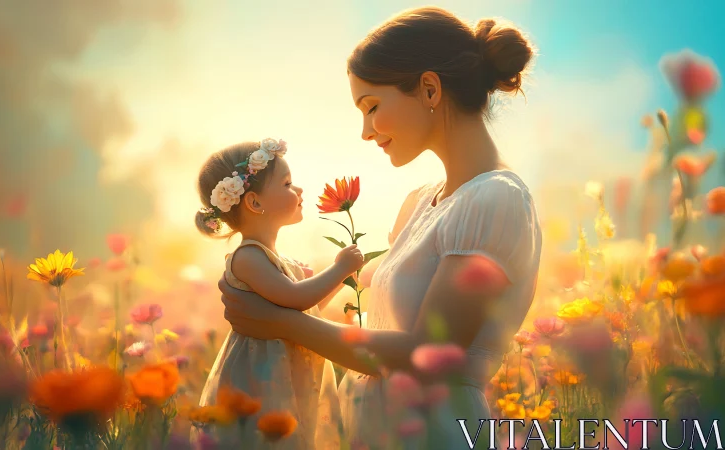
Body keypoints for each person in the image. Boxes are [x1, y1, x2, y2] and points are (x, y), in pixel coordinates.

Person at [217, 7, 542, 449]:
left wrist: (279, 322)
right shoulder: (421, 201)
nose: (366, 132)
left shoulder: (496, 199)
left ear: (429, 89)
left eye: (371, 107)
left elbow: (428, 356)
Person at [193, 138, 363, 449]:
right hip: (263, 377)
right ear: (255, 203)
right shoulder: (248, 257)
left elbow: (302, 308)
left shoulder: (274, 259)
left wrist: (343, 278)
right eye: (287, 183)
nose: (299, 190)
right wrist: (339, 268)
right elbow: (296, 298)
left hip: (288, 370)